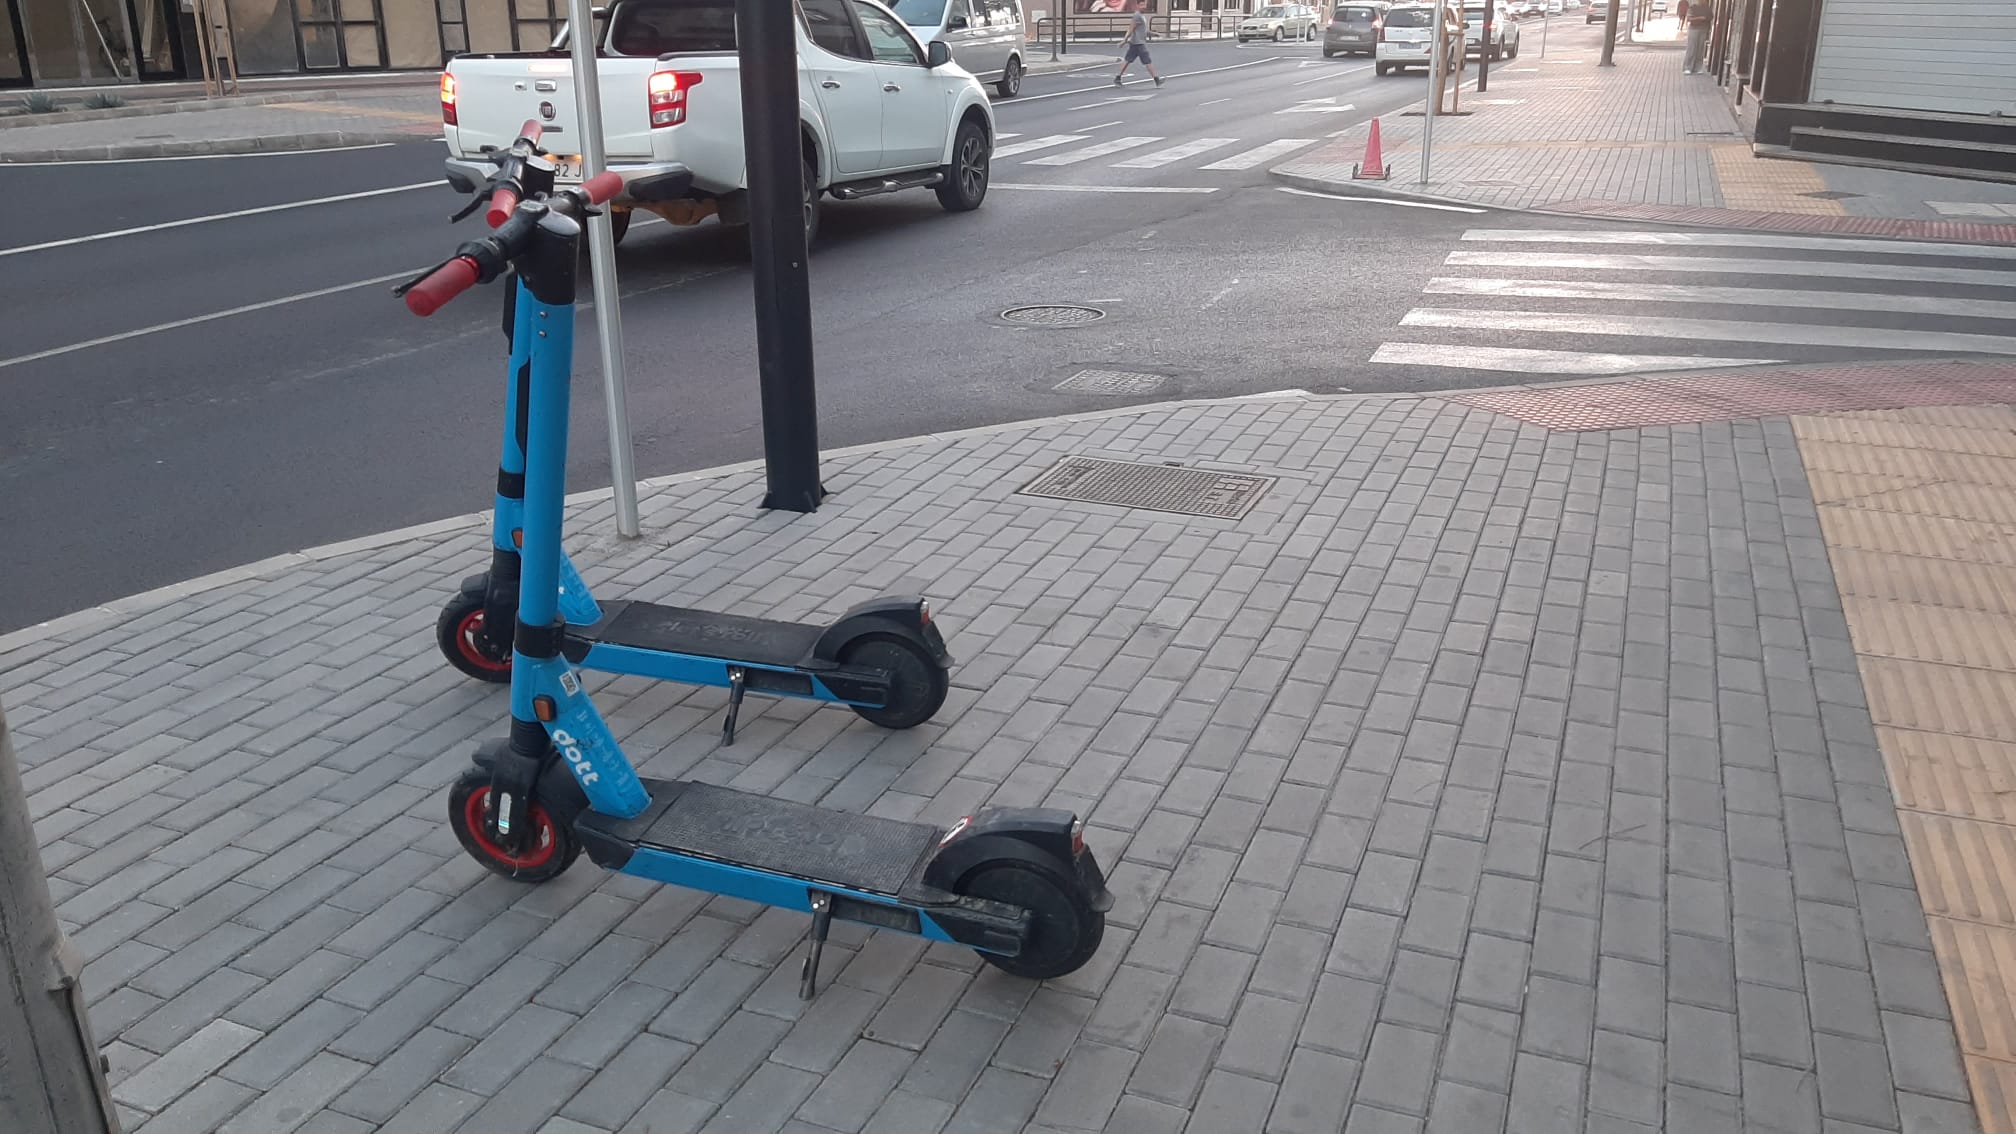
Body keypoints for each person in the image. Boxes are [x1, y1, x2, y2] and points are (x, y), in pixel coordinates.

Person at [1115, 0, 1164, 86]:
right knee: (1147, 61)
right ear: (1137, 5)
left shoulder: (1141, 16)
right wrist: (1124, 40)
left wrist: (1154, 34)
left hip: (1136, 43)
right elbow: (1131, 29)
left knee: (1127, 60)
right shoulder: (1137, 16)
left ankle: (1117, 77)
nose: (1144, 6)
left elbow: (1143, 30)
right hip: (1139, 43)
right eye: (1141, 5)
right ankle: (1157, 80)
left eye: (1144, 4)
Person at [1681, 0, 1710, 73]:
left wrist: (1705, 19)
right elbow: (1689, 19)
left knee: (1700, 49)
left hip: (1703, 29)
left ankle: (1698, 68)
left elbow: (1710, 17)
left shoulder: (1707, 8)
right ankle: (1688, 67)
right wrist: (1700, 18)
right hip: (1694, 29)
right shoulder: (1693, 8)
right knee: (1692, 48)